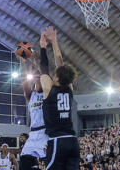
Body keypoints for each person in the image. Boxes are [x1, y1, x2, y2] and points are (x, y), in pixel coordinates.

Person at [38, 27, 79, 170]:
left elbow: (44, 67)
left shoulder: (50, 89)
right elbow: (60, 64)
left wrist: (43, 47)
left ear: (57, 77)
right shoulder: (69, 88)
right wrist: (54, 42)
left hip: (58, 142)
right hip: (72, 143)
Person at [17, 36, 50, 169]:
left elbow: (44, 72)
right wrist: (22, 62)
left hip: (45, 133)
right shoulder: (31, 96)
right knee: (24, 163)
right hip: (33, 134)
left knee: (51, 163)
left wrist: (36, 59)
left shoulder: (47, 92)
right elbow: (23, 79)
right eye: (35, 77)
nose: (36, 79)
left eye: (38, 77)